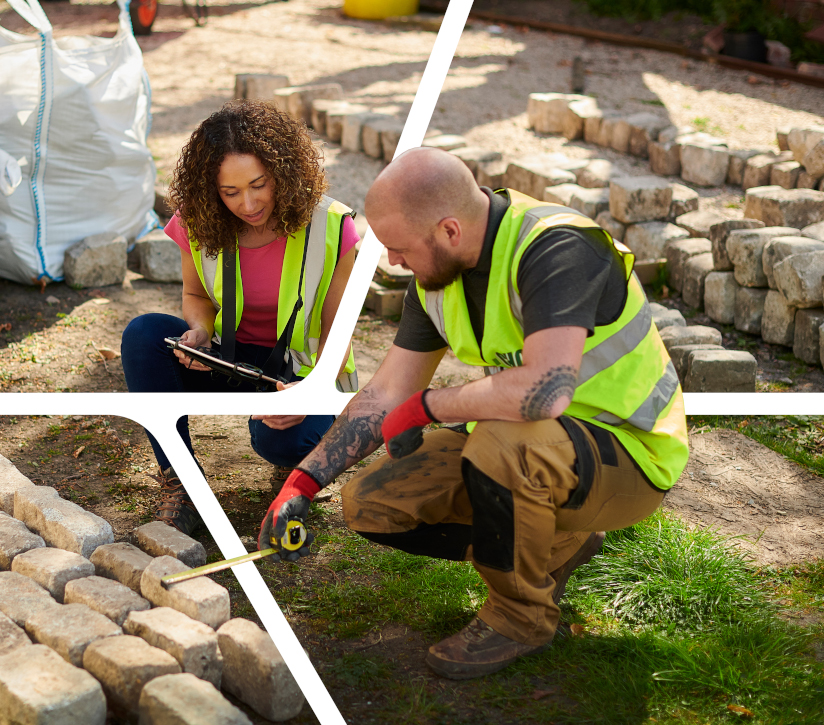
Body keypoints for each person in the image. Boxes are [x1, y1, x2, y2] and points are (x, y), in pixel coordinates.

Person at [258, 146, 689, 679]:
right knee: (372, 502)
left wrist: (430, 406)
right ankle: (556, 543)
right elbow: (388, 390)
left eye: (399, 249)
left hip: (629, 451)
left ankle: (520, 618)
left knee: (500, 447)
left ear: (450, 230)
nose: (394, 262)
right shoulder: (437, 275)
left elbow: (545, 392)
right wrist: (302, 483)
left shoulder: (558, 247)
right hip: (540, 447)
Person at [122, 100, 358, 536]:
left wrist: (308, 391)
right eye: (230, 192)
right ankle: (183, 484)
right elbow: (195, 295)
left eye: (258, 185)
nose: (247, 204)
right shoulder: (197, 219)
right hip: (228, 359)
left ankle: (300, 457)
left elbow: (335, 333)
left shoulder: (333, 225)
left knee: (283, 442)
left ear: (283, 172)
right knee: (144, 334)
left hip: (302, 370)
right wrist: (199, 332)